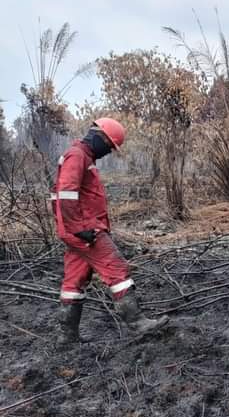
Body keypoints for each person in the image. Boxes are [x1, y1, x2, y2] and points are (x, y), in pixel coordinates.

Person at [51, 118, 169, 344]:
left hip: (78, 230)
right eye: (108, 146)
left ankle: (66, 336)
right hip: (86, 231)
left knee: (74, 282)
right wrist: (78, 228)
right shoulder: (77, 156)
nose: (108, 152)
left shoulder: (82, 157)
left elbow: (57, 196)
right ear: (98, 136)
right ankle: (136, 324)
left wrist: (68, 228)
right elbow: (65, 194)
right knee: (117, 269)